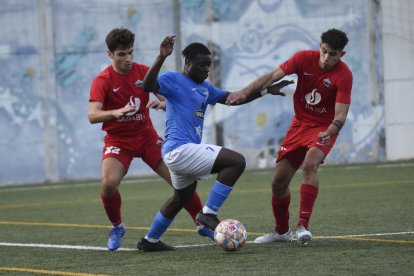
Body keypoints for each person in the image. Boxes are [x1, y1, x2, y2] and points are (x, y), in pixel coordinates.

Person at [135, 35, 291, 252]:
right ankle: (208, 213)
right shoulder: (172, 79)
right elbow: (148, 86)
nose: (206, 69)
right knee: (236, 162)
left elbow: (234, 98)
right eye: (202, 65)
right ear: (188, 63)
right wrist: (161, 57)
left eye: (209, 65)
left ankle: (149, 241)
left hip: (180, 153)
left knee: (181, 198)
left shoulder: (205, 88)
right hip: (178, 149)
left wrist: (264, 91)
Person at [88, 28, 215, 251]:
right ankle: (117, 226)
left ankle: (202, 223)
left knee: (181, 182)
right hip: (118, 142)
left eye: (130, 53)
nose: (128, 59)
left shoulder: (144, 72)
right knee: (108, 185)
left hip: (147, 139)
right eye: (121, 54)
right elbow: (92, 115)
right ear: (110, 55)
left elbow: (169, 98)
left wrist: (164, 103)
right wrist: (115, 112)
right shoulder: (103, 80)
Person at [226, 28, 353, 245]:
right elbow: (271, 76)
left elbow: (340, 116)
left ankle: (302, 226)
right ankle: (281, 232)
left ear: (341, 55)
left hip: (323, 129)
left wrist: (329, 133)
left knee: (310, 163)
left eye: (333, 54)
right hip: (299, 126)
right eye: (324, 51)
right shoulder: (303, 58)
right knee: (278, 182)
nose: (326, 58)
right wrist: (245, 91)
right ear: (319, 46)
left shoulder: (344, 75)